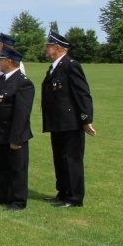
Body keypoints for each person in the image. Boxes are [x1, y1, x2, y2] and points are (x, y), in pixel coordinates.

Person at [41, 30, 95, 208]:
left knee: (71, 159)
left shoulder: (71, 65)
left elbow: (82, 93)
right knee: (59, 158)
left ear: (57, 48)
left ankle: (74, 197)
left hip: (70, 121)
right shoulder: (54, 67)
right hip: (57, 121)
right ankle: (62, 192)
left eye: (48, 47)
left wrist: (86, 118)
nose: (45, 50)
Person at [0, 46, 34, 211]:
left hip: (13, 134)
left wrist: (16, 138)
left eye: (1, 59)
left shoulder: (23, 83)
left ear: (10, 61)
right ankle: (3, 196)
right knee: (1, 167)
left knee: (16, 169)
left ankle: (18, 200)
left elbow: (22, 114)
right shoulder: (1, 80)